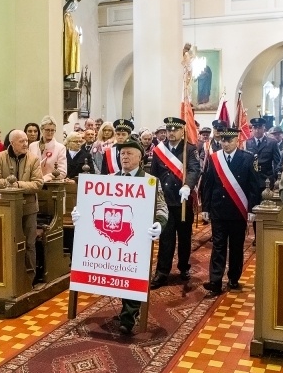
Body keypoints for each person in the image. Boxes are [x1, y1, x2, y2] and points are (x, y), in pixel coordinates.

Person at [71, 137, 167, 335]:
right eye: (122, 153)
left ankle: (128, 316)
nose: (124, 156)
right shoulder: (111, 179)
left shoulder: (149, 181)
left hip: (136, 238)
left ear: (140, 157)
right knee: (118, 274)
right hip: (112, 238)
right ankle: (126, 311)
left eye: (129, 153)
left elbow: (161, 207)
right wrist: (79, 213)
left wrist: (159, 223)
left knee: (133, 274)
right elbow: (94, 203)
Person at [200, 122, 263, 294]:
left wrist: (252, 209)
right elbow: (208, 184)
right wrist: (205, 207)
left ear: (237, 140)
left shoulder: (248, 158)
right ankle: (215, 280)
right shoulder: (214, 159)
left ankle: (234, 278)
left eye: (229, 140)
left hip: (238, 210)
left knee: (236, 246)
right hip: (218, 209)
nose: (225, 143)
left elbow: (254, 187)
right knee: (218, 246)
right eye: (223, 140)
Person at [150, 116, 201, 288]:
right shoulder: (159, 150)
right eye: (169, 130)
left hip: (182, 200)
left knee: (184, 237)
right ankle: (162, 272)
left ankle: (183, 267)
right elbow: (154, 174)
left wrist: (187, 185)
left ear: (182, 131)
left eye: (175, 130)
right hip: (165, 200)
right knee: (166, 238)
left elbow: (195, 169)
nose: (171, 133)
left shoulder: (190, 149)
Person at [0, 130, 44, 284]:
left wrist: (17, 185)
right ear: (12, 143)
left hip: (29, 209)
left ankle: (29, 278)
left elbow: (38, 184)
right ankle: (8, 278)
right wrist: (10, 184)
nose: (26, 144)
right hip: (7, 209)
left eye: (26, 140)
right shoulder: (0, 157)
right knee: (7, 243)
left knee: (29, 244)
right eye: (21, 141)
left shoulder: (33, 159)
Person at [28, 115, 67, 181]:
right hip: (33, 183)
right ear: (41, 129)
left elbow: (62, 172)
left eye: (52, 130)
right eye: (47, 130)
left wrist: (45, 178)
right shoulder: (32, 146)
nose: (50, 132)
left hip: (51, 185)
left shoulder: (60, 148)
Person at [245, 117, 281, 184]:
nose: (257, 131)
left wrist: (277, 179)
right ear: (252, 129)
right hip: (252, 178)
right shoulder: (248, 143)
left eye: (259, 128)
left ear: (264, 128)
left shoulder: (272, 143)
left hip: (267, 178)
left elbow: (277, 163)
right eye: (255, 128)